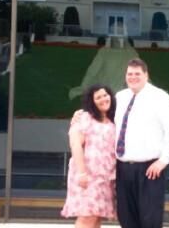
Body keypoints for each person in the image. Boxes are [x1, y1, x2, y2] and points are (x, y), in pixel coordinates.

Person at [115, 58, 169, 228]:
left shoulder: (160, 97)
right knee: (126, 217)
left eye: (137, 74)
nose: (133, 77)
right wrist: (80, 116)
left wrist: (164, 160)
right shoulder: (120, 97)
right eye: (129, 74)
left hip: (150, 169)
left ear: (146, 75)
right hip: (123, 168)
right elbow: (104, 119)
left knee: (150, 219)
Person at [61, 84, 117, 228]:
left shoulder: (112, 120)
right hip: (87, 177)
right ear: (91, 102)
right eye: (98, 97)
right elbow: (75, 145)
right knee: (87, 218)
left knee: (97, 218)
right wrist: (81, 173)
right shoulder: (84, 118)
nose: (103, 99)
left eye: (105, 95)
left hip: (105, 179)